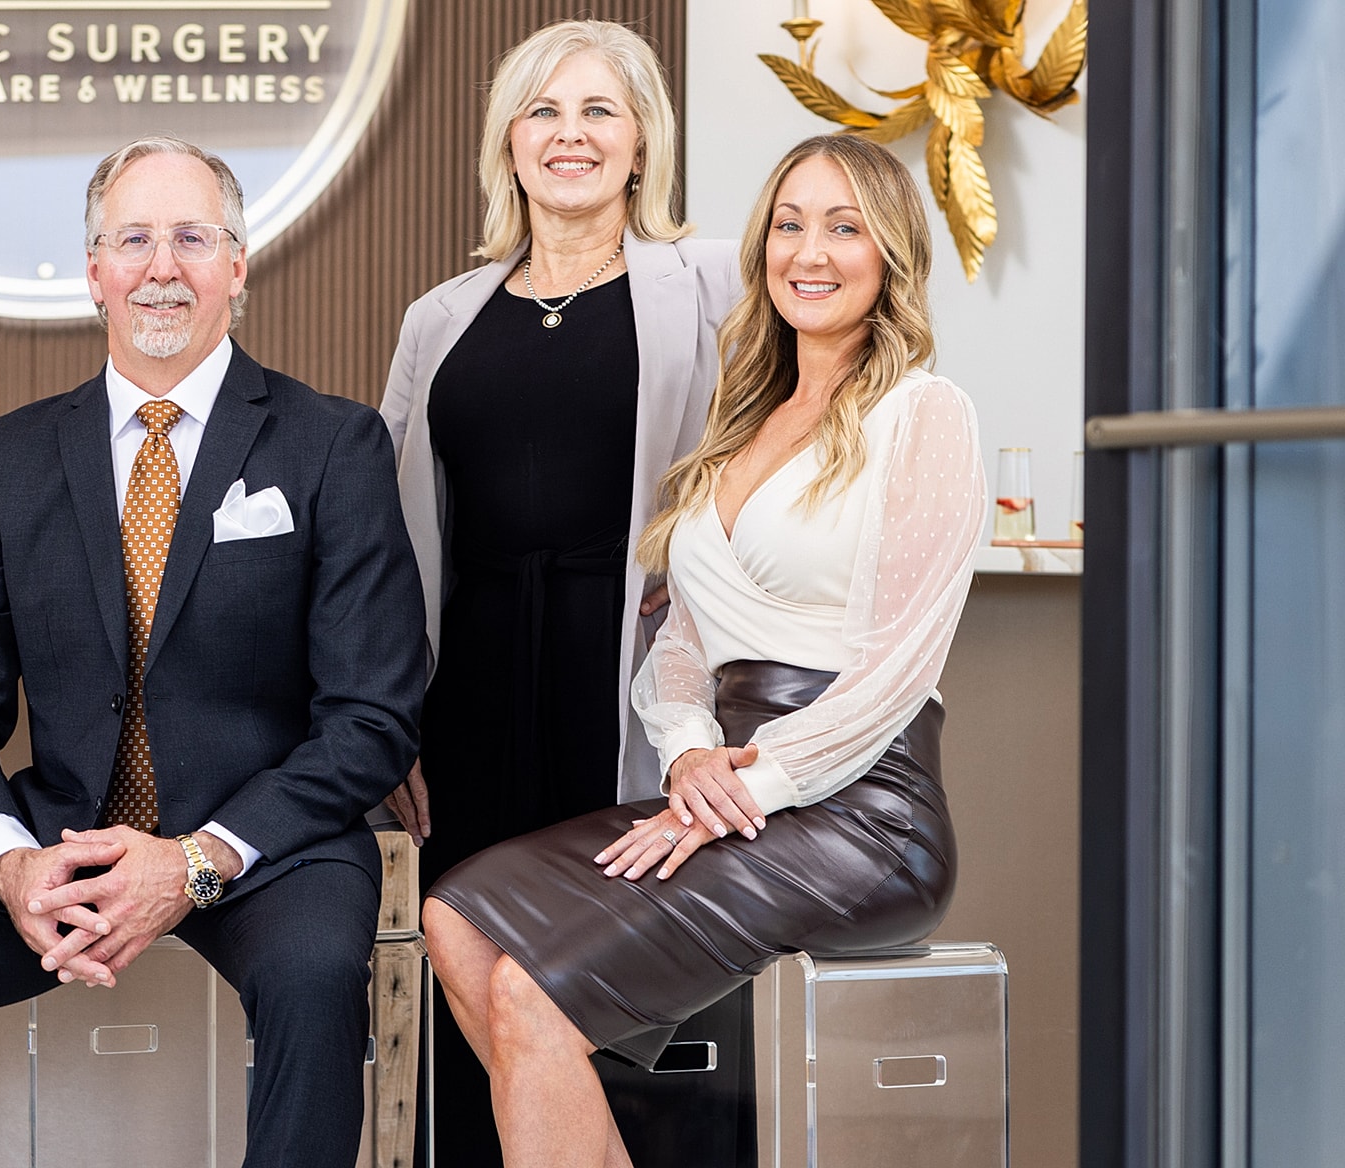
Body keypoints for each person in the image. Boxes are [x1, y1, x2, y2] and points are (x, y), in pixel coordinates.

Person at [0, 135, 424, 1168]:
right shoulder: (14, 456)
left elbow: (372, 721)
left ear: (236, 265)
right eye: (131, 239)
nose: (160, 266)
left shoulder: (330, 444)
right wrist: (11, 863)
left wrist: (194, 862)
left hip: (267, 844)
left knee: (309, 983)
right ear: (92, 273)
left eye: (190, 238)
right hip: (62, 840)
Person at [421, 133, 988, 1163]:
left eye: (843, 226)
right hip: (724, 784)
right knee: (456, 920)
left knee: (530, 987)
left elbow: (895, 669)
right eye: (787, 223)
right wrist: (686, 752)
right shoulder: (740, 422)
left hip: (861, 812)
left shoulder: (923, 413)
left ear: (891, 254)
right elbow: (682, 637)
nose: (807, 253)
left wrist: (751, 785)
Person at [371, 20, 739, 1159]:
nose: (567, 135)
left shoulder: (711, 283)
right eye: (542, 111)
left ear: (642, 146)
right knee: (471, 967)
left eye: (597, 112)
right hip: (469, 696)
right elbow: (388, 541)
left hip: (632, 686)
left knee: (627, 1006)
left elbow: (764, 470)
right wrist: (392, 725)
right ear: (506, 143)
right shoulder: (438, 318)